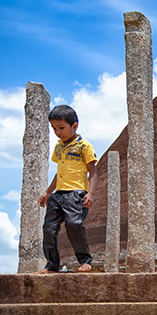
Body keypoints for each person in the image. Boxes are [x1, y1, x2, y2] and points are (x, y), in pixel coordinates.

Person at [36, 105, 98, 273]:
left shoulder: (84, 146)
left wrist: (91, 193)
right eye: (54, 128)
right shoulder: (58, 148)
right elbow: (59, 173)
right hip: (58, 194)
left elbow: (93, 172)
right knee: (49, 228)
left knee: (73, 224)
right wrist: (48, 192)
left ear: (74, 126)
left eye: (61, 128)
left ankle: (85, 260)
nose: (58, 132)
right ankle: (52, 264)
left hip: (76, 193)